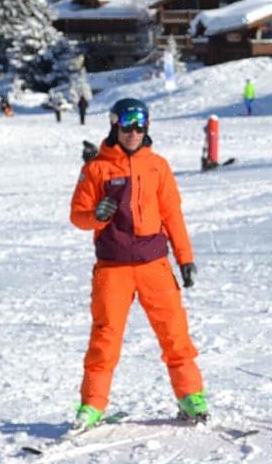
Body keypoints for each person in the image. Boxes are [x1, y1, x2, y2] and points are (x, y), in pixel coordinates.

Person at [69, 98, 208, 430]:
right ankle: (91, 406)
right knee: (105, 337)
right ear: (114, 125)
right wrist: (95, 216)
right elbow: (78, 216)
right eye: (127, 125)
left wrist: (185, 259)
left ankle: (191, 397)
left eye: (140, 125)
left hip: (154, 265)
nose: (134, 132)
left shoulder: (157, 166)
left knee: (174, 333)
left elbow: (173, 215)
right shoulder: (96, 169)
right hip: (112, 268)